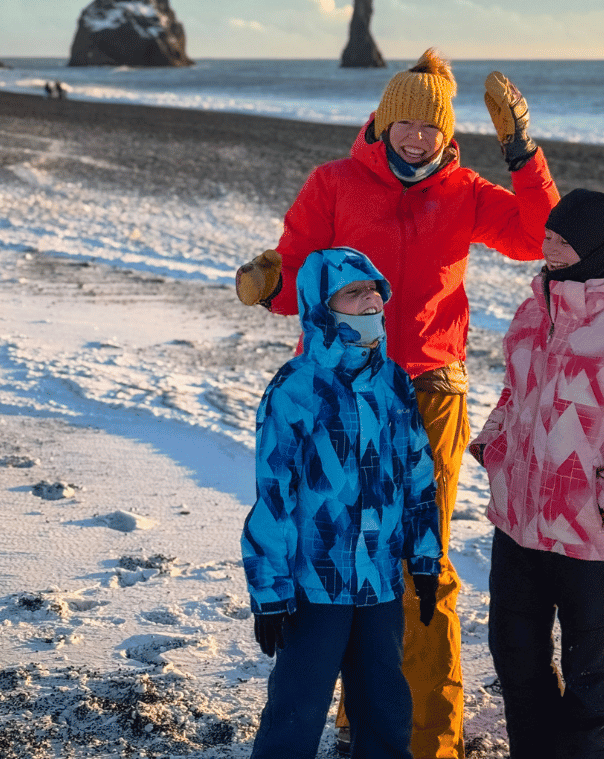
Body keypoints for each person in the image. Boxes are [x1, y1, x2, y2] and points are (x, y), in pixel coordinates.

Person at [236, 50, 560, 759]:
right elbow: (299, 280)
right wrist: (268, 282)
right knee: (339, 554)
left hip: (429, 391)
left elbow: (539, 238)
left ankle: (426, 739)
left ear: (449, 135)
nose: (417, 138)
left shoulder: (468, 191)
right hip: (334, 394)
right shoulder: (333, 183)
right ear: (383, 122)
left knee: (421, 562)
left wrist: (522, 152)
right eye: (405, 123)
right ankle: (358, 715)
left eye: (431, 128)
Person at [469, 189, 604, 758]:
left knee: (590, 679)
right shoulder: (531, 311)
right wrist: (492, 445)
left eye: (563, 241)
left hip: (588, 537)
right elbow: (515, 393)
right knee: (516, 661)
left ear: (594, 249)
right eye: (547, 236)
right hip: (515, 525)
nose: (548, 248)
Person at [242, 247, 442, 759]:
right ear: (322, 309)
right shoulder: (297, 388)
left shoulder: (393, 382)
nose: (371, 297)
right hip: (314, 584)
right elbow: (274, 495)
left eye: (375, 288)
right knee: (297, 706)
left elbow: (419, 474)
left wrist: (424, 557)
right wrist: (269, 590)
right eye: (354, 292)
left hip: (379, 581)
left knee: (383, 704)